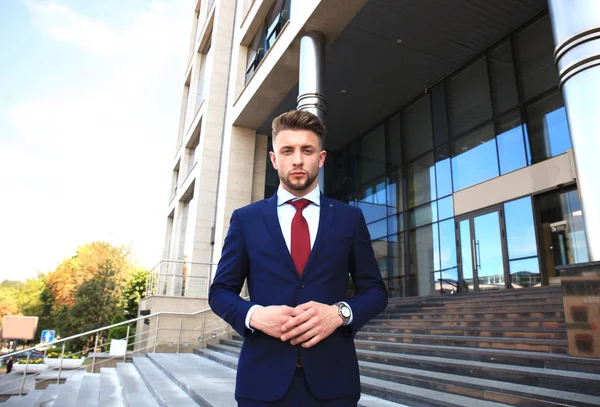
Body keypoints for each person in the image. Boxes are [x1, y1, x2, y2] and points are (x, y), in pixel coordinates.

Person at [209, 110, 388, 406]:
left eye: (307, 150)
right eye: (287, 150)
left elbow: (376, 292)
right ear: (274, 159)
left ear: (321, 157)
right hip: (261, 384)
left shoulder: (349, 218)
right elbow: (219, 292)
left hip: (334, 384)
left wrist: (339, 313)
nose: (297, 160)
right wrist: (255, 315)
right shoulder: (246, 219)